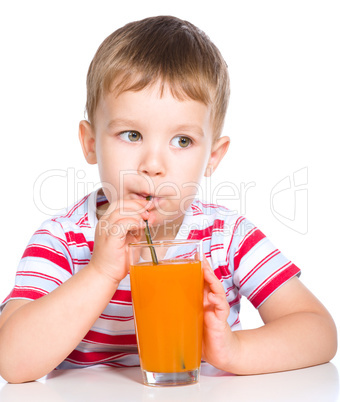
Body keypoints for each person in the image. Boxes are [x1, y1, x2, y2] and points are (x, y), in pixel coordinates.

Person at [0, 15, 337, 384]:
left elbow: (318, 332)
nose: (153, 165)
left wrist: (234, 350)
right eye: (131, 134)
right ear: (91, 142)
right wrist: (101, 272)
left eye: (182, 141)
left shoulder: (228, 238)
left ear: (213, 157)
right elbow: (12, 362)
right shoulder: (63, 241)